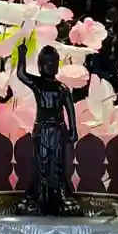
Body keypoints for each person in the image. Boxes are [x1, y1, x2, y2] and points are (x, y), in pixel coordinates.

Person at [15, 44, 81, 217]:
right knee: (42, 163)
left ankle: (61, 194)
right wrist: (22, 55)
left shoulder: (62, 88)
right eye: (47, 62)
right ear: (40, 65)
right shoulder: (38, 84)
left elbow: (70, 110)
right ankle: (39, 194)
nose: (51, 66)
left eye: (54, 62)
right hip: (42, 130)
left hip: (58, 130)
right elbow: (21, 74)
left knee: (58, 164)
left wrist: (73, 130)